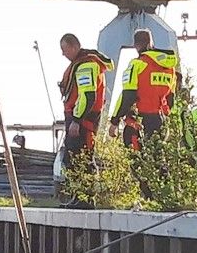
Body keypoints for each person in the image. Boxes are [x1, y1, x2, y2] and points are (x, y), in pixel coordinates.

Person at [58, 33, 113, 208]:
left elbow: (88, 96)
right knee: (72, 158)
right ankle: (78, 196)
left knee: (82, 158)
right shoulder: (82, 64)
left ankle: (86, 198)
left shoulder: (86, 65)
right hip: (79, 118)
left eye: (64, 49)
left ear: (74, 47)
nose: (63, 54)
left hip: (83, 121)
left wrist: (76, 120)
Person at [108, 29, 179, 151]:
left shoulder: (137, 65)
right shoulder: (170, 68)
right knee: (158, 159)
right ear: (150, 43)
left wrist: (115, 121)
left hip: (139, 121)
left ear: (136, 45)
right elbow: (170, 98)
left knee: (137, 162)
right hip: (160, 121)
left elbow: (127, 96)